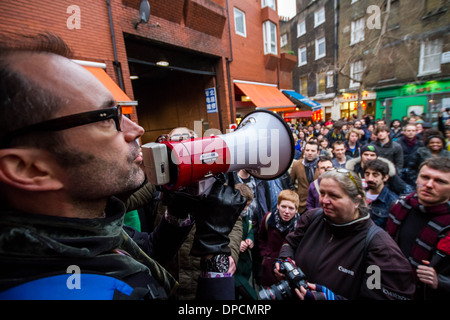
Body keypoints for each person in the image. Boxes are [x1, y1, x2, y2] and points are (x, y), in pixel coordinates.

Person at [0, 33, 245, 300]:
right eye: (107, 118)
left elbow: (148, 250)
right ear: (29, 168)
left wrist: (178, 210)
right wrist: (215, 254)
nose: (137, 129)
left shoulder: (80, 236)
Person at [276, 169, 415, 300]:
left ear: (357, 201)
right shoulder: (312, 218)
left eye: (334, 196)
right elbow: (290, 242)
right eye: (322, 193)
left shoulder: (379, 248)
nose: (324, 201)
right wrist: (285, 260)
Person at [387, 157, 450, 300]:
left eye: (440, 181)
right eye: (425, 177)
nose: (428, 184)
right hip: (392, 287)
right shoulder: (399, 206)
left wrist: (441, 282)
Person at [259, 190, 300, 287]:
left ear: (296, 210)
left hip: (289, 269)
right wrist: (265, 255)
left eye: (291, 208)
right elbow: (261, 237)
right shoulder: (268, 218)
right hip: (269, 268)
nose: (286, 211)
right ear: (277, 206)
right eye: (283, 206)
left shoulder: (300, 226)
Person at [346, 144, 412, 196]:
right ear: (361, 155)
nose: (369, 158)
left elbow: (405, 189)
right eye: (366, 154)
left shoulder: (385, 170)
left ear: (376, 157)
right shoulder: (353, 170)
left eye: (372, 155)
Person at [233, 183, 257, 300]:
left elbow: (250, 229)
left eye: (248, 205)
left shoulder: (246, 214)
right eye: (244, 205)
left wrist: (249, 239)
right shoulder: (227, 216)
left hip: (245, 265)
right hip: (234, 268)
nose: (246, 209)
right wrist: (238, 243)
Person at [363, 159, 398, 229]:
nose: (370, 178)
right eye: (367, 174)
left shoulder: (392, 201)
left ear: (385, 178)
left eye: (375, 175)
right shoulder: (359, 194)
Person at [290, 141, 320, 214]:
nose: (310, 153)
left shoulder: (322, 165)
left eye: (313, 151)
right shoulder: (297, 164)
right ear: (304, 151)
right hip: (301, 205)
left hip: (318, 205)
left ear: (318, 152)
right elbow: (290, 183)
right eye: (307, 150)